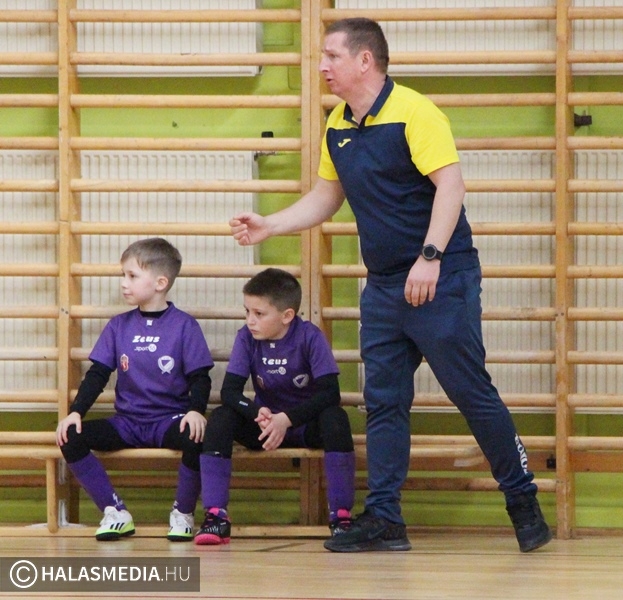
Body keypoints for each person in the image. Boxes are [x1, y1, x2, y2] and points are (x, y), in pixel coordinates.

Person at [228, 18, 552, 553]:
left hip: (441, 278)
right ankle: (384, 519)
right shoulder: (337, 124)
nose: (322, 66)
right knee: (383, 402)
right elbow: (327, 196)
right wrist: (272, 224)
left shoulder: (416, 112)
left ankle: (522, 499)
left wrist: (430, 257)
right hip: (383, 288)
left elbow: (451, 186)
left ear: (365, 61)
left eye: (332, 56)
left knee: (471, 392)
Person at [56, 237, 214, 542]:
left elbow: (200, 378)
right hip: (127, 423)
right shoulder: (118, 326)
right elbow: (98, 374)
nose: (123, 283)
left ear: (160, 283)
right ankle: (115, 512)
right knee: (69, 435)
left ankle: (183, 513)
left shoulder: (185, 326)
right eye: (123, 275)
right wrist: (76, 412)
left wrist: (196, 411)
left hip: (168, 421)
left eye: (132, 275)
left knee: (198, 435)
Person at [194, 267, 355, 545]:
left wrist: (287, 419)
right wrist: (256, 412)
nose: (250, 320)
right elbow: (230, 392)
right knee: (221, 417)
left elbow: (330, 393)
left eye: (259, 314)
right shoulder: (246, 337)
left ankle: (341, 517)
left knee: (336, 418)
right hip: (265, 427)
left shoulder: (310, 337)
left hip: (303, 425)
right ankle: (216, 517)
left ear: (287, 316)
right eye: (247, 311)